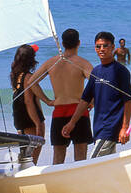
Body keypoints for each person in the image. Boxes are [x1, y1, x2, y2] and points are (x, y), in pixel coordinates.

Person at [25, 28, 93, 164]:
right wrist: (91, 101)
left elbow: (31, 82)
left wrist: (47, 101)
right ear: (78, 43)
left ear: (62, 43)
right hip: (79, 112)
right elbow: (96, 83)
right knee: (80, 159)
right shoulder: (82, 63)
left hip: (59, 111)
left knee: (57, 158)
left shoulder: (52, 62)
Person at [66, 31, 131, 159]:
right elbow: (85, 100)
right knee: (106, 165)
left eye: (105, 45)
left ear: (113, 47)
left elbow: (128, 101)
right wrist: (72, 123)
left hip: (110, 127)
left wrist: (125, 128)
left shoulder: (121, 71)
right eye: (98, 46)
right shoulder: (96, 71)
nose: (101, 49)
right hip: (98, 127)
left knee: (93, 163)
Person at [9, 43, 51, 164]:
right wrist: (38, 123)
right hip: (29, 117)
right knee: (33, 152)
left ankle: (21, 172)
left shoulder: (15, 75)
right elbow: (28, 101)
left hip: (18, 117)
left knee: (25, 151)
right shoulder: (28, 77)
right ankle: (30, 170)